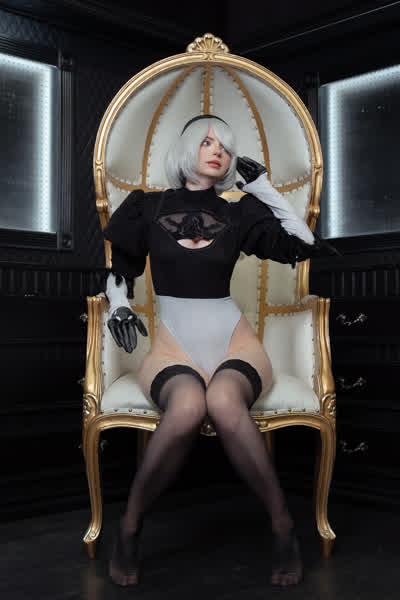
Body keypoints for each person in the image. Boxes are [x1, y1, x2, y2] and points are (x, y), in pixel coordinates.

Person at [103, 114, 334, 588]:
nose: (218, 152)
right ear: (187, 147)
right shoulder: (146, 207)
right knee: (188, 407)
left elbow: (304, 243)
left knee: (225, 401)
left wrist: (265, 189)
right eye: (207, 142)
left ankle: (282, 527)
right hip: (173, 347)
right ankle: (129, 527)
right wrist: (120, 305)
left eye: (225, 147)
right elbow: (118, 272)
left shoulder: (240, 212)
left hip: (235, 342)